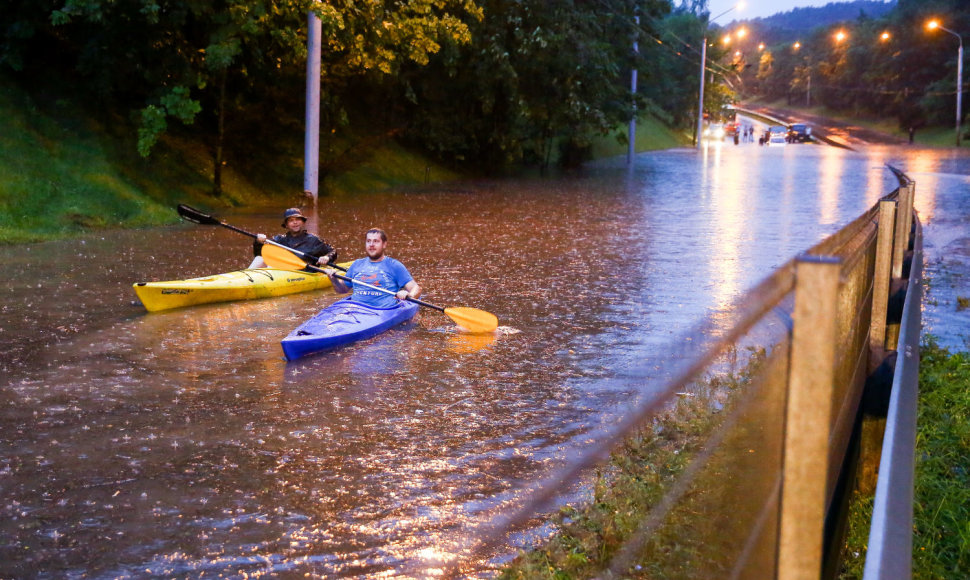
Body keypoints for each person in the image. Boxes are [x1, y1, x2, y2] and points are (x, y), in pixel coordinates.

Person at [324, 228, 420, 308]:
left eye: (376, 241)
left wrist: (408, 295)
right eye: (368, 241)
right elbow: (343, 290)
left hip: (382, 312)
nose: (371, 245)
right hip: (356, 310)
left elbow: (416, 288)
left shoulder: (394, 265)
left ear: (384, 244)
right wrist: (334, 279)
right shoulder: (357, 264)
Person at [248, 207, 337, 269]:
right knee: (260, 259)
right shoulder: (279, 240)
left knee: (272, 266)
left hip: (301, 272)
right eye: (291, 220)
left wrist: (326, 257)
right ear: (286, 225)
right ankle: (245, 278)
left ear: (302, 222)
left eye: (297, 219)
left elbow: (332, 251)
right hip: (281, 269)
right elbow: (259, 253)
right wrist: (258, 242)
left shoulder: (313, 240)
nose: (295, 223)